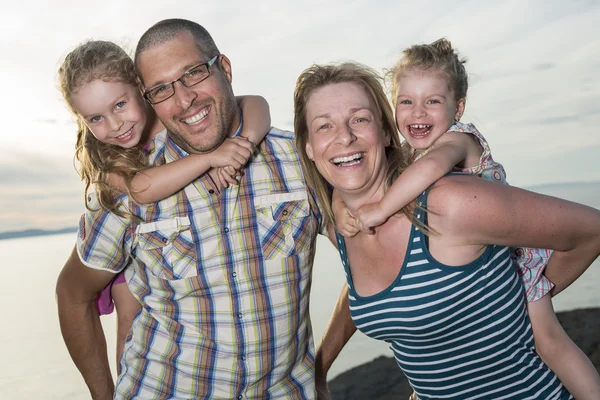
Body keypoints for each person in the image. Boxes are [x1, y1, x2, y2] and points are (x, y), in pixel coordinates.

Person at [294, 62, 600, 399]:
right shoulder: (344, 226)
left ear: (385, 131)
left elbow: (592, 231)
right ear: (308, 147)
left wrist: (525, 297)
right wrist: (319, 368)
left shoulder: (448, 204)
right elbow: (367, 291)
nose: (344, 136)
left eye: (359, 119)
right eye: (325, 126)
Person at [56, 19, 324, 399]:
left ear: (224, 68)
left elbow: (254, 105)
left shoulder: (294, 160)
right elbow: (72, 293)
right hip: (163, 386)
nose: (184, 99)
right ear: (150, 94)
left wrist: (324, 364)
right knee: (126, 310)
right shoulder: (122, 179)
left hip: (284, 389)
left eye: (194, 74)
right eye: (163, 89)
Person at [57, 39, 269, 373]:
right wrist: (210, 158)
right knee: (130, 324)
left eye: (119, 105)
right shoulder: (110, 162)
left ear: (140, 89)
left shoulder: (177, 113)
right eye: (96, 118)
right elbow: (142, 189)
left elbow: (255, 103)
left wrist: (242, 145)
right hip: (129, 263)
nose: (114, 126)